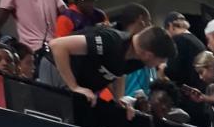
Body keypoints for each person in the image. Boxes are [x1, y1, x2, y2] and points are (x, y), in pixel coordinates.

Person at [47, 17, 175, 107]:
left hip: (81, 77)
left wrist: (119, 99)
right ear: (149, 55)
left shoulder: (139, 59)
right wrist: (74, 86)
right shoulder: (111, 41)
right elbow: (57, 45)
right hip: (56, 64)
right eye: (160, 61)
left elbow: (119, 72)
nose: (159, 65)